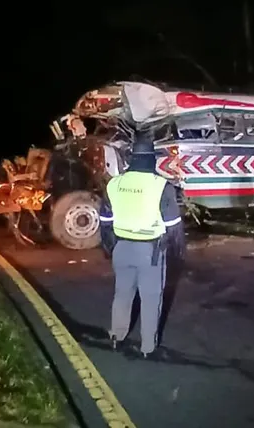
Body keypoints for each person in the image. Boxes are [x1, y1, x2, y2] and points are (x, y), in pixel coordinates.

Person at [98, 132, 186, 359]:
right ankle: (148, 346)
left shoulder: (114, 184)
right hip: (150, 252)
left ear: (131, 159)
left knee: (122, 294)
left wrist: (110, 247)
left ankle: (117, 336)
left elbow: (105, 221)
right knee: (151, 298)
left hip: (121, 249)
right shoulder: (161, 185)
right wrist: (177, 254)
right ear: (151, 159)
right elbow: (173, 227)